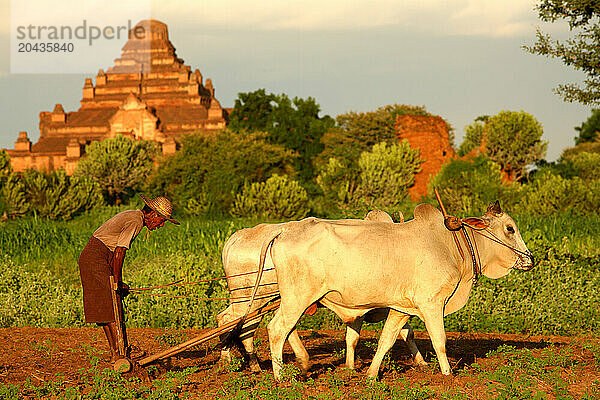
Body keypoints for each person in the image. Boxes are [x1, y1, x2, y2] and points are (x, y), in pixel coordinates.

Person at [78, 194, 179, 363]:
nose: (160, 225)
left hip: (95, 257)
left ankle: (116, 353)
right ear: (154, 215)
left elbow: (116, 254)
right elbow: (119, 252)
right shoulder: (136, 221)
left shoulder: (134, 215)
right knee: (112, 306)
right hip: (96, 257)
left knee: (108, 307)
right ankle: (121, 353)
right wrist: (117, 282)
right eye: (162, 221)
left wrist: (118, 281)